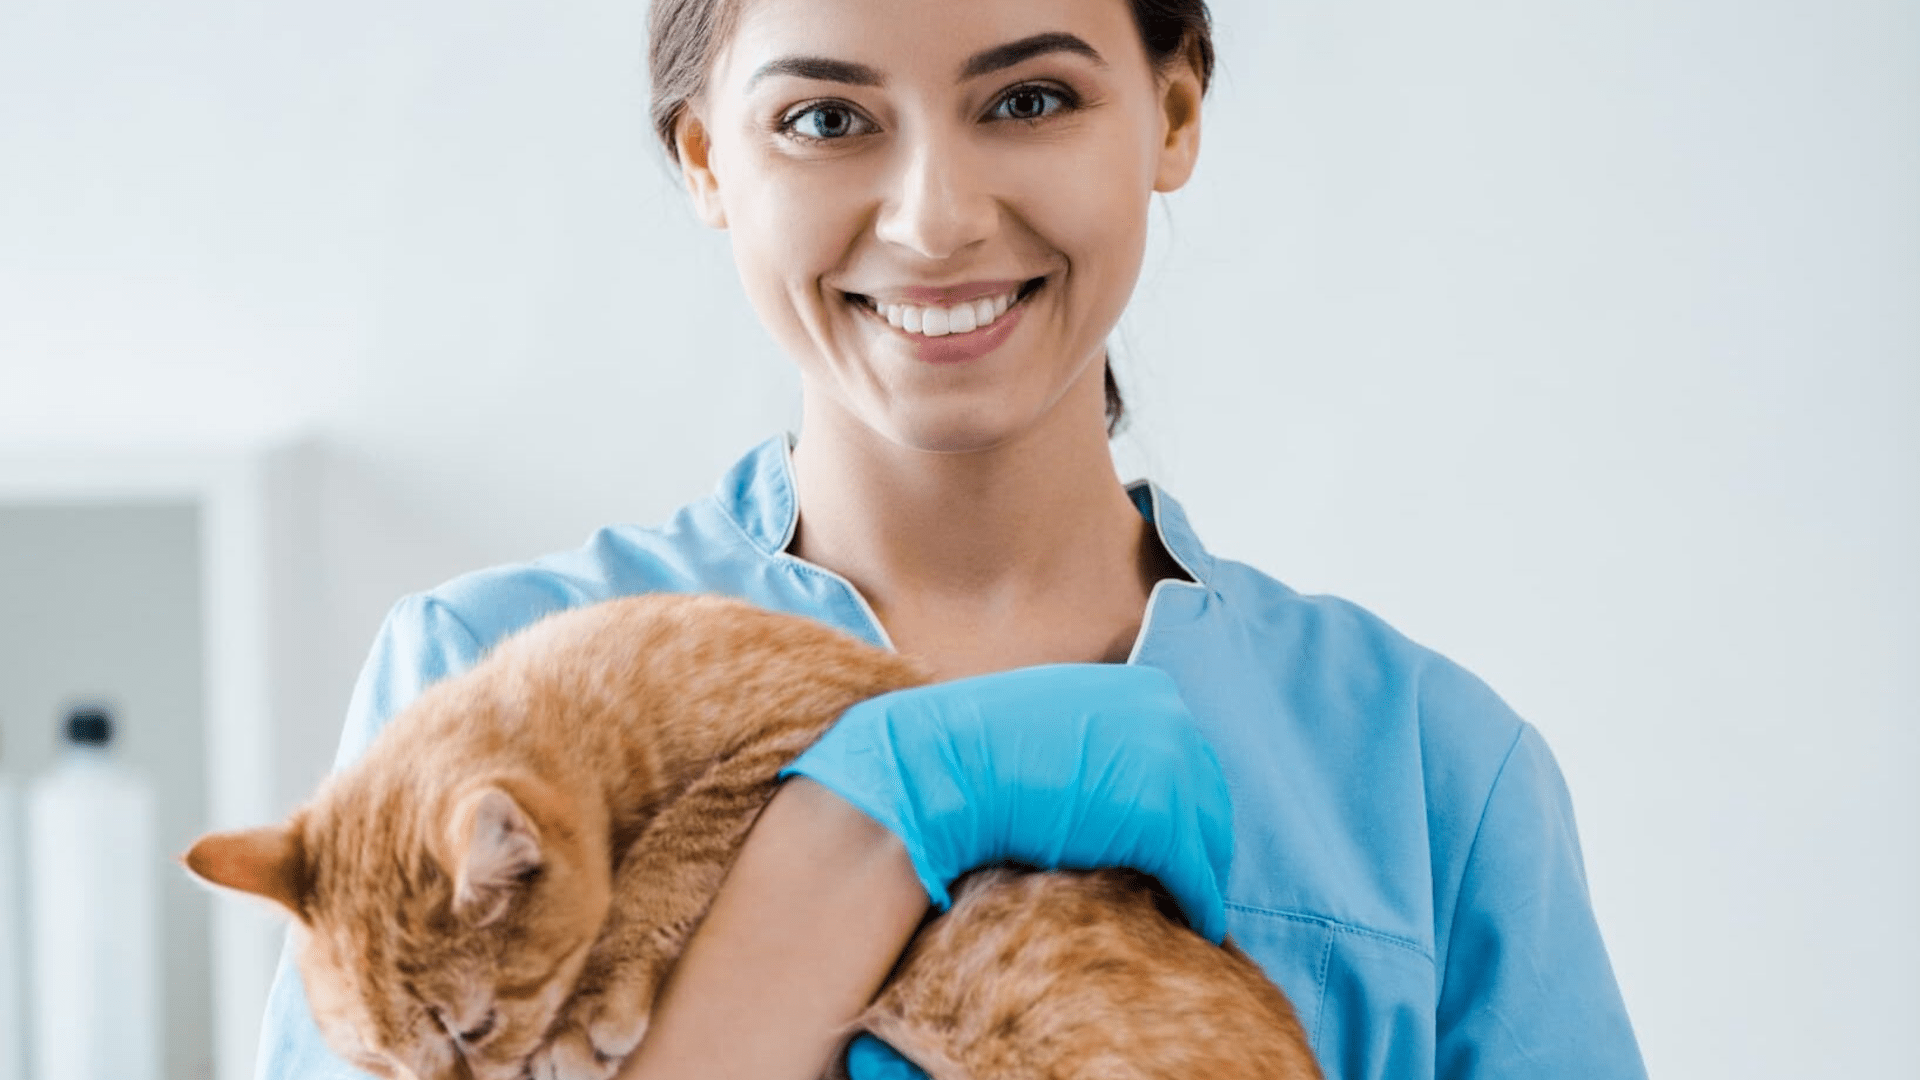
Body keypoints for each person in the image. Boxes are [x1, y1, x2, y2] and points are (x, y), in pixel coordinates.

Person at [255, 1, 1649, 1078]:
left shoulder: (1425, 778)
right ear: (704, 157)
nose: (935, 219)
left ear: (1170, 111)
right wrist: (849, 840)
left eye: (1028, 98)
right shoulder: (476, 697)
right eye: (823, 119)